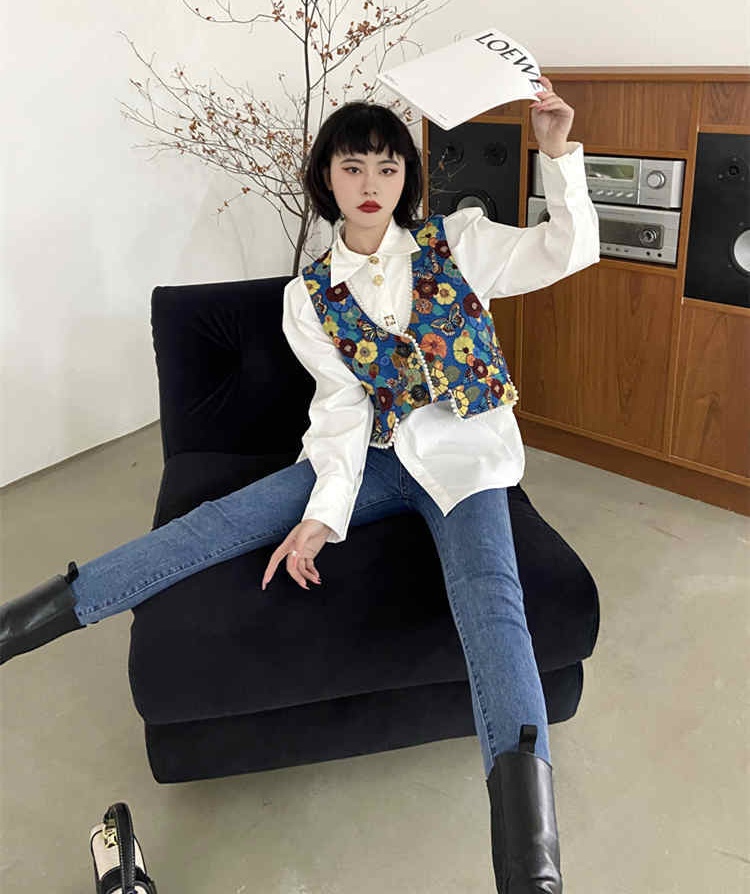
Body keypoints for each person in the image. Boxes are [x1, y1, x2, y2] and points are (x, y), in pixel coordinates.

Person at [1, 76, 598, 893]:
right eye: (353, 167)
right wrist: (322, 514)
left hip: (467, 462)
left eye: (387, 168)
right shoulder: (308, 297)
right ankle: (20, 625)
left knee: (495, 608)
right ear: (326, 178)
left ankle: (532, 875)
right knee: (213, 525)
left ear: (406, 178)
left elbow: (567, 249)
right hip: (375, 458)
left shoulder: (459, 243)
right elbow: (342, 412)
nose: (371, 184)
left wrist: (558, 155)